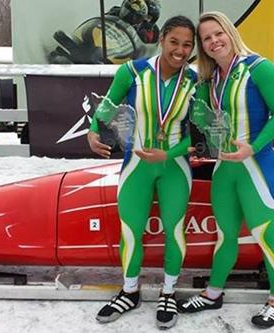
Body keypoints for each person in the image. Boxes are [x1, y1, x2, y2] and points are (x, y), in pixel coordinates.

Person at [177, 11, 274, 328]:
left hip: (258, 165)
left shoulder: (260, 68)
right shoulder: (210, 79)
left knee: (265, 236)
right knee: (225, 235)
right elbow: (201, 120)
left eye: (218, 34)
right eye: (206, 38)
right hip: (224, 170)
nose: (214, 42)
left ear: (229, 32)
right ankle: (213, 293)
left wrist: (252, 147)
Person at [87, 15, 196, 329]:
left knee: (174, 230)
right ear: (162, 39)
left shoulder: (194, 80)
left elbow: (200, 135)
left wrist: (169, 153)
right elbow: (109, 104)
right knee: (131, 230)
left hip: (174, 165)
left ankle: (168, 291)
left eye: (187, 44)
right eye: (174, 41)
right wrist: (93, 131)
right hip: (136, 165)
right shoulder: (132, 71)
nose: (180, 49)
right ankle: (130, 290)